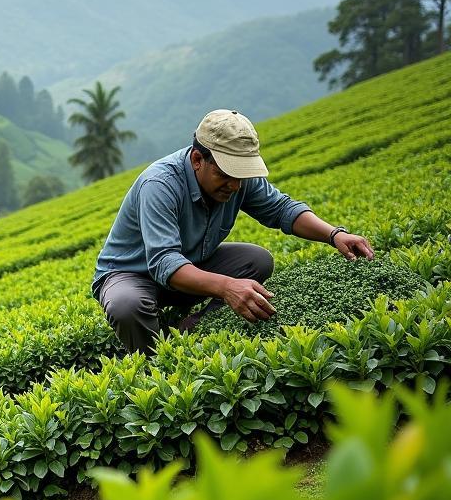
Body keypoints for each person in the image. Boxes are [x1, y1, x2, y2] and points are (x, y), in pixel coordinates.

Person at [91, 109, 374, 356]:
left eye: (240, 176)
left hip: (188, 265)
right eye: (225, 175)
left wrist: (334, 234)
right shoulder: (160, 184)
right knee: (126, 305)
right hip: (133, 273)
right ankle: (155, 365)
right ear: (197, 159)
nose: (234, 185)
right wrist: (226, 287)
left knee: (257, 260)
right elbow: (164, 262)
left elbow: (282, 209)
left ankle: (193, 328)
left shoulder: (237, 180)